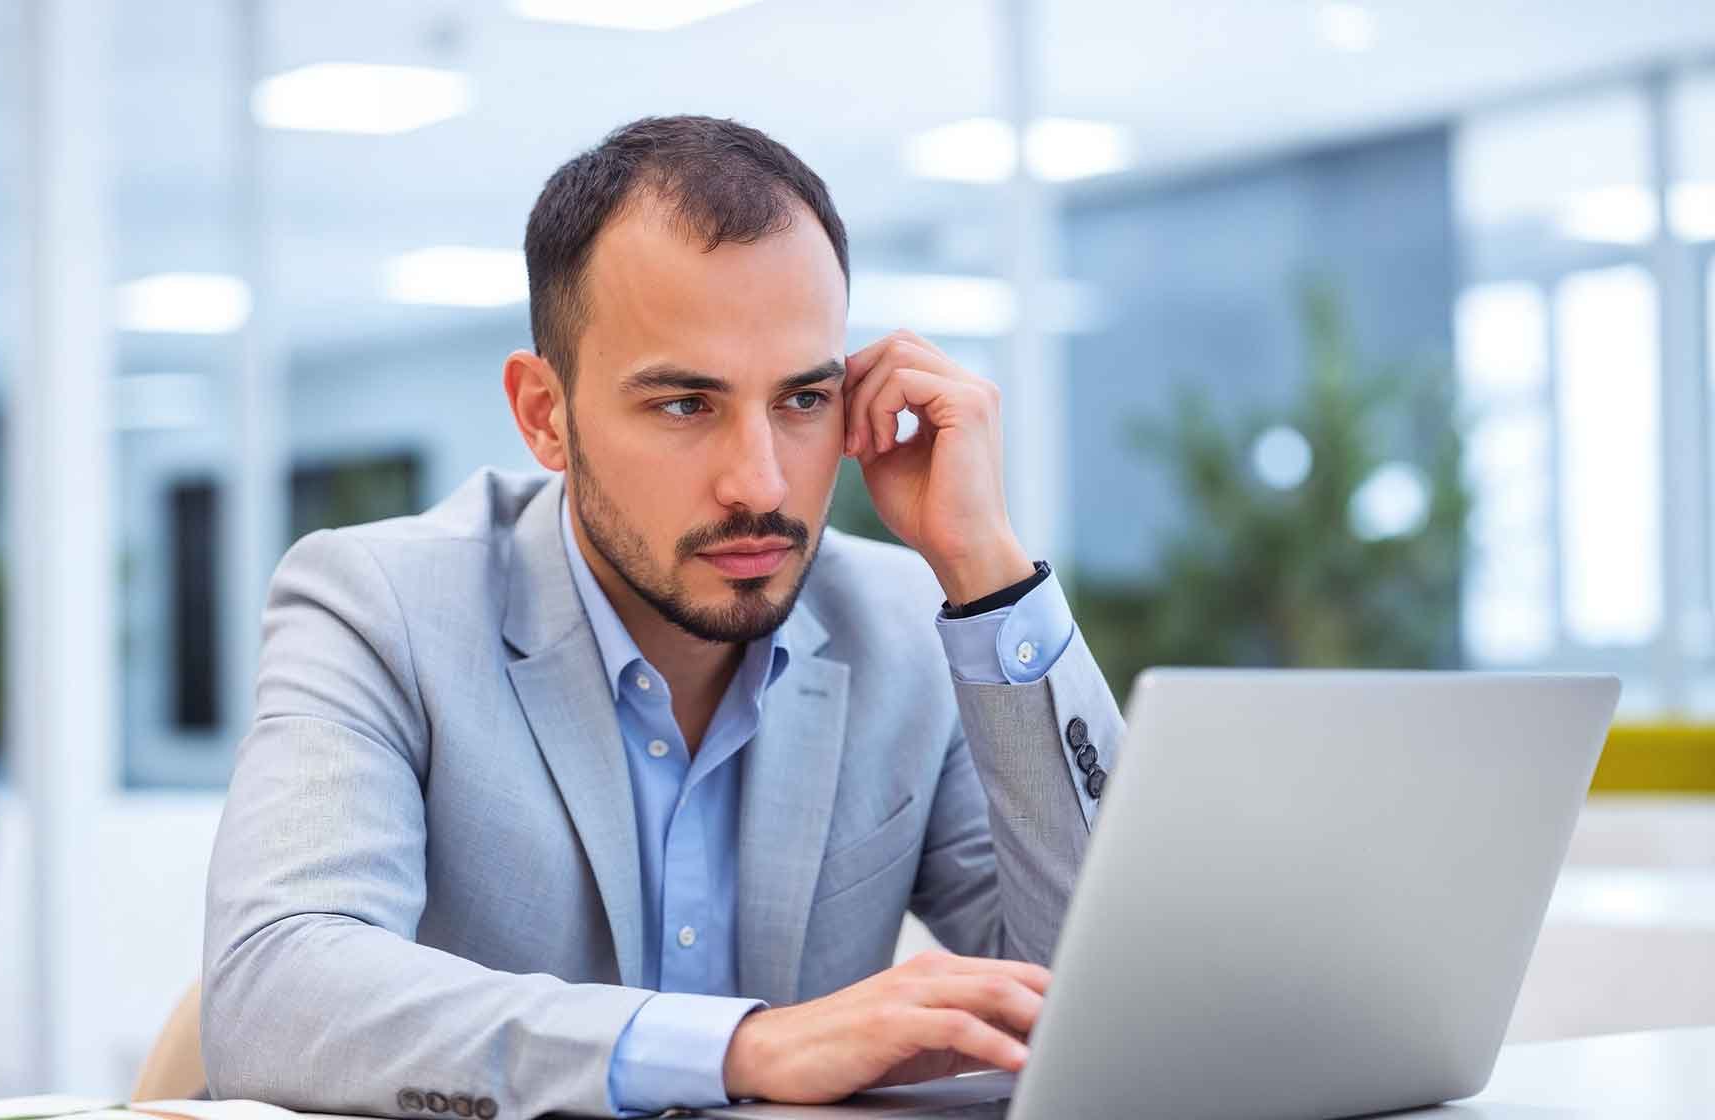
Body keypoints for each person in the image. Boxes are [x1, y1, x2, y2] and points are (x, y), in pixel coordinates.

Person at [202, 114, 1122, 1120]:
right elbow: (276, 987)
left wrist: (985, 571)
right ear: (545, 414)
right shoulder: (379, 605)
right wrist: (742, 1047)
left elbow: (1111, 993)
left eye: (803, 400)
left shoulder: (900, 621)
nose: (759, 482)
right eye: (686, 404)